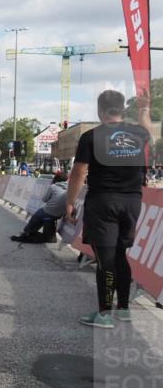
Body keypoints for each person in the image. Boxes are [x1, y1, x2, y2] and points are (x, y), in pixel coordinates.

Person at [65, 89, 152, 329]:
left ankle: (104, 314)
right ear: (123, 109)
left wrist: (70, 202)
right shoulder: (137, 133)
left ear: (100, 110)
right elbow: (147, 130)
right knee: (120, 254)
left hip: (104, 202)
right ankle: (123, 309)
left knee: (105, 258)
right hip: (132, 202)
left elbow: (79, 173)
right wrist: (144, 108)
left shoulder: (91, 136)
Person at [11, 170, 69, 243]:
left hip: (49, 211)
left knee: (38, 214)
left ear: (56, 178)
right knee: (44, 214)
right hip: (60, 214)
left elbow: (44, 199)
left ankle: (27, 231)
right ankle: (35, 232)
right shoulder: (70, 188)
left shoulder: (53, 186)